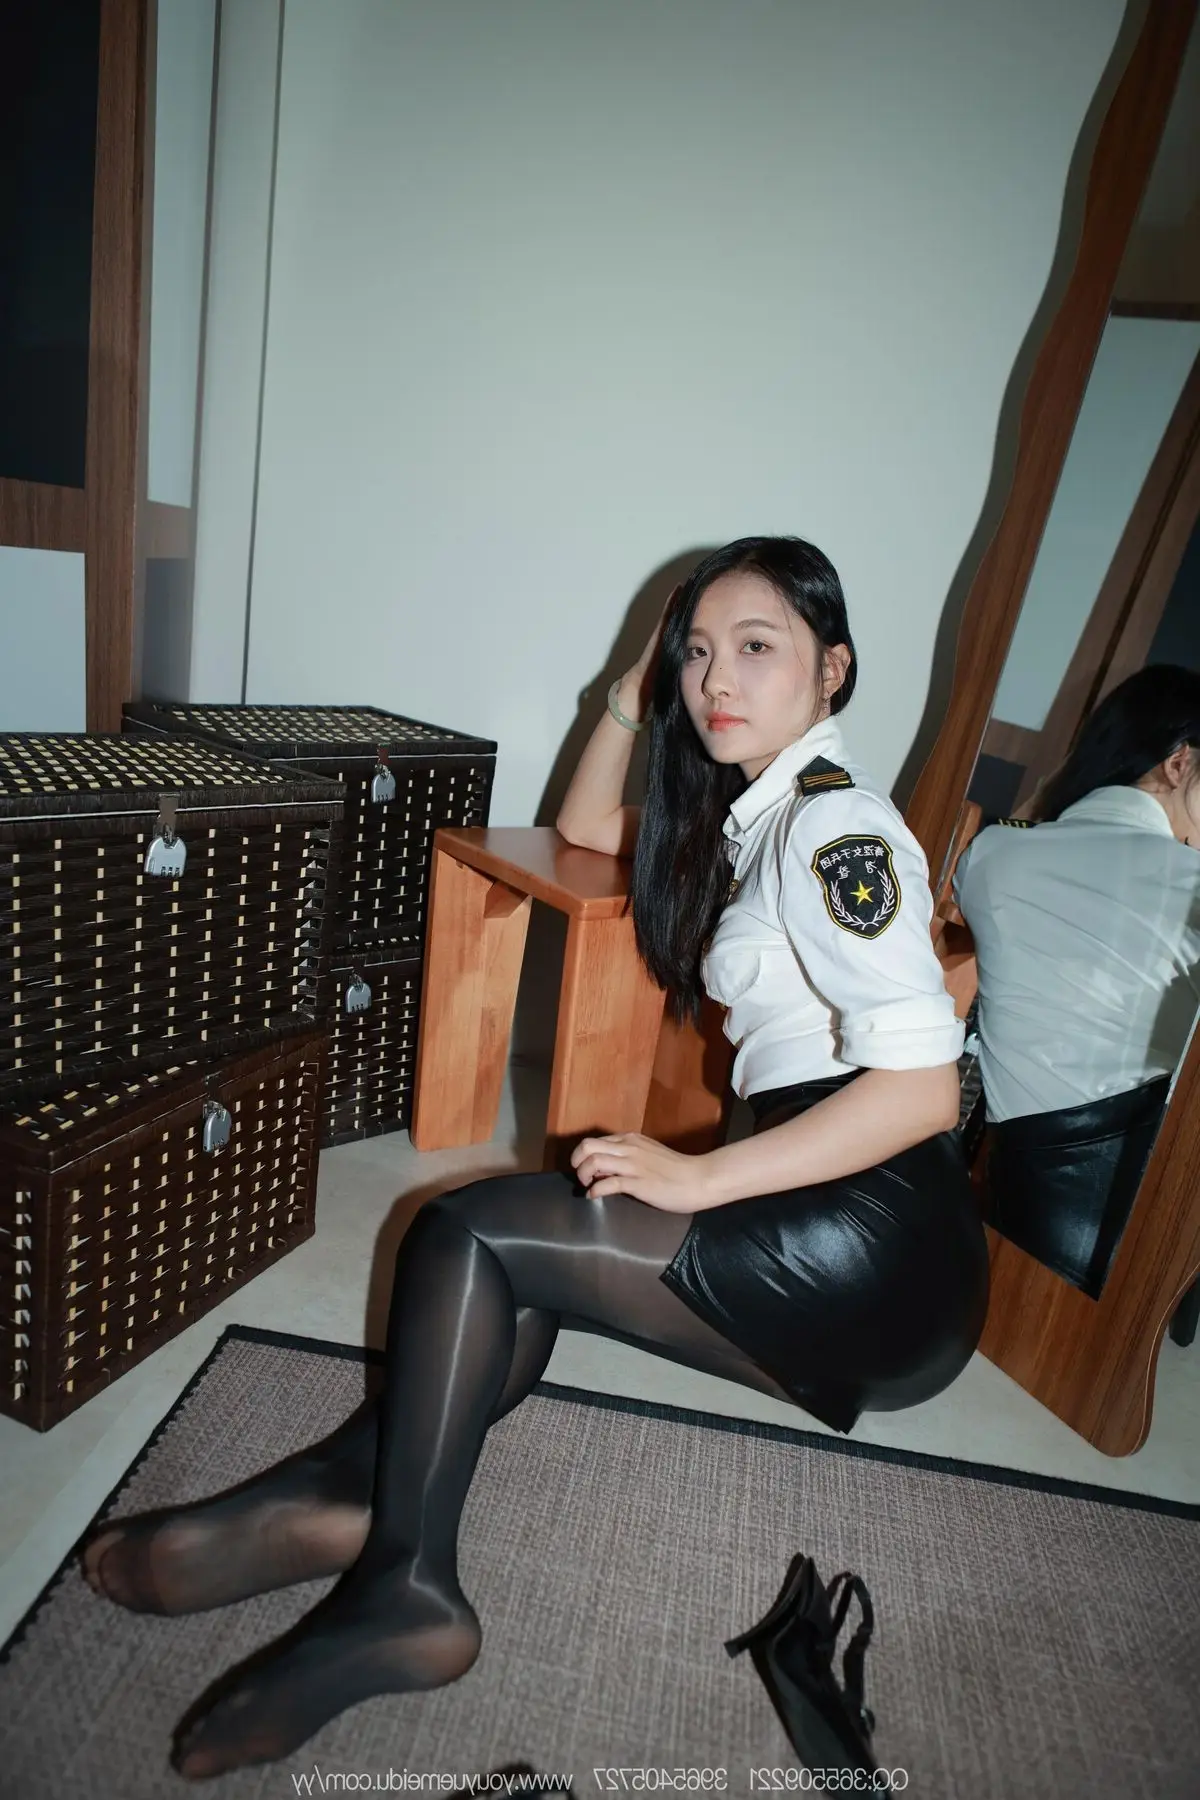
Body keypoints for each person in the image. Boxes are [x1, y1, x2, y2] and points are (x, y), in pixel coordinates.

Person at [81, 536, 988, 1780]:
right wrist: (629, 686)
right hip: (840, 1217)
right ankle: (350, 1496)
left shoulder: (838, 826)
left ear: (833, 669)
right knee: (512, 1260)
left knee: (469, 1232)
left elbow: (925, 1091)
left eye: (756, 647)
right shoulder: (757, 814)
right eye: (697, 654)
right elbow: (583, 824)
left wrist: (698, 1178)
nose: (716, 679)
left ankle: (399, 1576)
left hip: (879, 1244)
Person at [953, 664, 1200, 1296]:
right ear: (1179, 763)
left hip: (1010, 1220)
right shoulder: (1190, 889)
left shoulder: (991, 857)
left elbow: (1032, 830)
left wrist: (1060, 794)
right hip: (1132, 1252)